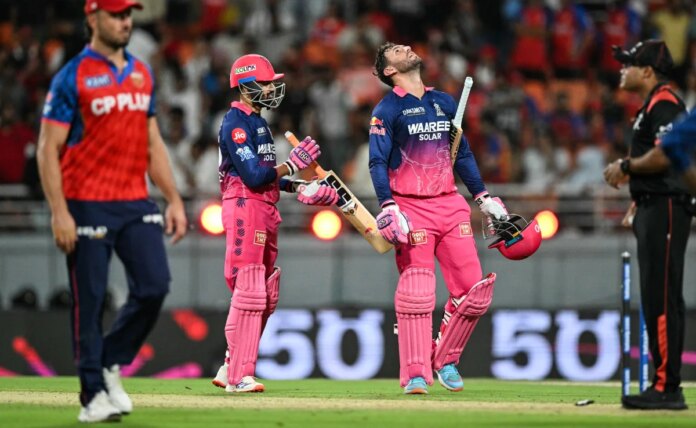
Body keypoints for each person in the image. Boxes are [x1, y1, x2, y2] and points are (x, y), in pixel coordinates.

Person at [36, 0, 188, 423]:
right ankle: (92, 396)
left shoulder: (142, 73)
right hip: (86, 201)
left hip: (134, 200)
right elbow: (48, 148)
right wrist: (59, 211)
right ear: (93, 18)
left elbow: (152, 141)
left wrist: (174, 198)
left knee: (154, 286)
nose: (125, 22)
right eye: (117, 14)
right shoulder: (72, 76)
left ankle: (109, 361)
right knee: (90, 300)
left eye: (128, 14)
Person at [369, 42, 508, 394]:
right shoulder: (387, 109)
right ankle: (416, 374)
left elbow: (462, 154)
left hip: (450, 203)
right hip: (410, 207)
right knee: (417, 294)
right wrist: (387, 206)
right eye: (396, 51)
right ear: (389, 70)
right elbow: (377, 161)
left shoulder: (444, 102)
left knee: (473, 292)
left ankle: (445, 358)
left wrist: (483, 197)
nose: (406, 48)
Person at [210, 53, 338, 393]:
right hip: (244, 205)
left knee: (265, 293)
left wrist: (300, 186)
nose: (271, 88)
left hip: (264, 206)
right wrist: (293, 165)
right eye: (265, 83)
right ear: (245, 85)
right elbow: (253, 176)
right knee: (250, 289)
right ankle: (240, 375)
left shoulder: (259, 123)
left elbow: (269, 177)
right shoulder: (235, 123)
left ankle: (230, 364)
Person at [603, 39, 691, 410]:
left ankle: (667, 388)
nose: (622, 70)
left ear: (648, 71)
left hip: (667, 207)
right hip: (653, 206)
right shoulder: (652, 104)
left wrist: (626, 167)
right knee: (656, 296)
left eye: (629, 64)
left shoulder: (665, 102)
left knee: (663, 296)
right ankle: (664, 384)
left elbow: (667, 156)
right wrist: (638, 200)